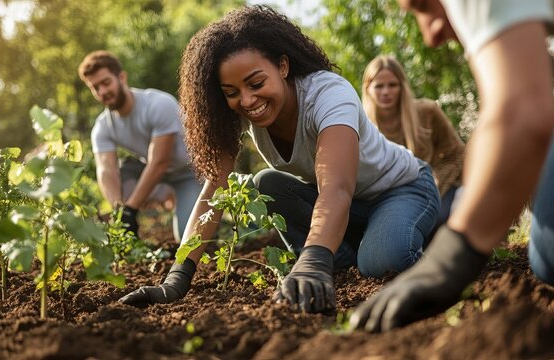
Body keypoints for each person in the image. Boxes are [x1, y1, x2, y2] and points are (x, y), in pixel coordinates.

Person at [119, 5, 440, 313]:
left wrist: (313, 259)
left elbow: (336, 188)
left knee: (381, 264)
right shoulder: (238, 112)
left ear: (283, 66)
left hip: (401, 189)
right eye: (231, 92)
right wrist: (177, 278)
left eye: (256, 83)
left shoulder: (328, 95)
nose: (247, 100)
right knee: (267, 184)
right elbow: (212, 192)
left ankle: (418, 242)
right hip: (350, 206)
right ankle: (342, 259)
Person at [351, 0, 554, 332]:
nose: (430, 36)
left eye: (422, 5)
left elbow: (522, 112)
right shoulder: (362, 127)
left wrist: (452, 258)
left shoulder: (425, 111)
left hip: (438, 192)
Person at [78, 50, 201, 242]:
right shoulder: (102, 127)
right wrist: (121, 213)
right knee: (124, 177)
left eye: (106, 83)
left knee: (188, 239)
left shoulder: (159, 104)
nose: (102, 92)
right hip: (157, 178)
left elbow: (160, 161)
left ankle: (209, 212)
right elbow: (106, 171)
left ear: (122, 77)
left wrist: (132, 207)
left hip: (190, 173)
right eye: (95, 88)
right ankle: (158, 202)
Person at [362, 54, 465, 240]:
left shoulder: (427, 111)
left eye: (392, 85)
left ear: (402, 86)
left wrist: (437, 183)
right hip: (387, 199)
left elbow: (457, 153)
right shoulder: (361, 125)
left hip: (434, 188)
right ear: (368, 89)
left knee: (439, 221)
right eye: (379, 86)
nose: (386, 92)